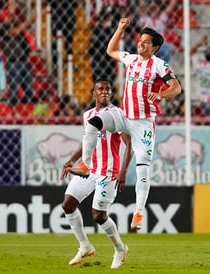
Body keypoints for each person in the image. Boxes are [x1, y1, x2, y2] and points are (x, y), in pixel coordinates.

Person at [66, 19, 182, 231]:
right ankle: (85, 164)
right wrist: (119, 28)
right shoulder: (131, 59)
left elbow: (176, 88)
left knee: (143, 169)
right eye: (140, 40)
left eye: (146, 42)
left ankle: (138, 213)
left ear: (155, 47)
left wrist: (160, 94)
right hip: (123, 115)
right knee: (93, 122)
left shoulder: (158, 65)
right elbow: (110, 50)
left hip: (143, 123)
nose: (141, 44)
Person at [60, 78, 132, 269]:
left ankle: (119, 248)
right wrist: (72, 160)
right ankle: (84, 245)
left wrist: (123, 172)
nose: (105, 92)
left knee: (98, 216)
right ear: (94, 93)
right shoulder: (88, 115)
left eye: (108, 89)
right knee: (68, 204)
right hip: (90, 169)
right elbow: (86, 142)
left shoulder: (116, 115)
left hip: (108, 172)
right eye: (100, 89)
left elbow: (129, 144)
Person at [0, 8, 35, 108]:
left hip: (24, 62)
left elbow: (26, 45)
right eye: (8, 17)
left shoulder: (18, 30)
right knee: (15, 89)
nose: (10, 19)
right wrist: (30, 20)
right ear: (3, 18)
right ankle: (11, 110)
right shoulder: (1, 30)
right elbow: (14, 31)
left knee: (29, 90)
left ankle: (26, 109)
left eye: (11, 17)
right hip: (13, 63)